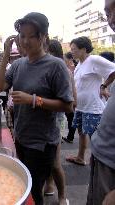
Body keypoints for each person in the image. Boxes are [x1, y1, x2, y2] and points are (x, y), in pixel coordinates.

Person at [0, 12, 73, 205]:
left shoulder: (56, 66)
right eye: (22, 36)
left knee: (34, 191)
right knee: (25, 184)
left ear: (43, 37)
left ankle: (59, 196)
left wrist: (33, 100)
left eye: (31, 36)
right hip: (21, 136)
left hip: (42, 142)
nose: (25, 41)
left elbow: (68, 105)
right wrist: (5, 56)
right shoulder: (18, 64)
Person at [66, 36, 115, 166]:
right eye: (71, 49)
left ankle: (99, 163)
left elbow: (113, 70)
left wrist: (103, 86)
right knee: (81, 133)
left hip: (93, 108)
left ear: (83, 49)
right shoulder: (79, 65)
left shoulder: (93, 60)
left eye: (74, 49)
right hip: (81, 107)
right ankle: (80, 158)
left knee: (95, 137)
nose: (72, 52)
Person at [86, 1, 115, 204]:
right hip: (102, 156)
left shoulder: (95, 60)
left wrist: (104, 86)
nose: (112, 19)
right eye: (107, 12)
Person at [44, 39, 70, 205]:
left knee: (54, 162)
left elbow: (71, 103)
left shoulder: (60, 68)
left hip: (56, 121)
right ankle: (49, 185)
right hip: (43, 121)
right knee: (47, 159)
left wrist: (37, 100)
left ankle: (62, 196)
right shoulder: (43, 66)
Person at [62, 52, 78, 143]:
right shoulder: (68, 69)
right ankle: (69, 136)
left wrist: (75, 100)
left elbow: (73, 86)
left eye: (65, 59)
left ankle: (70, 137)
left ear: (70, 60)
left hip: (69, 97)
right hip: (69, 96)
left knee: (70, 118)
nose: (64, 61)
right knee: (68, 118)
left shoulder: (72, 69)